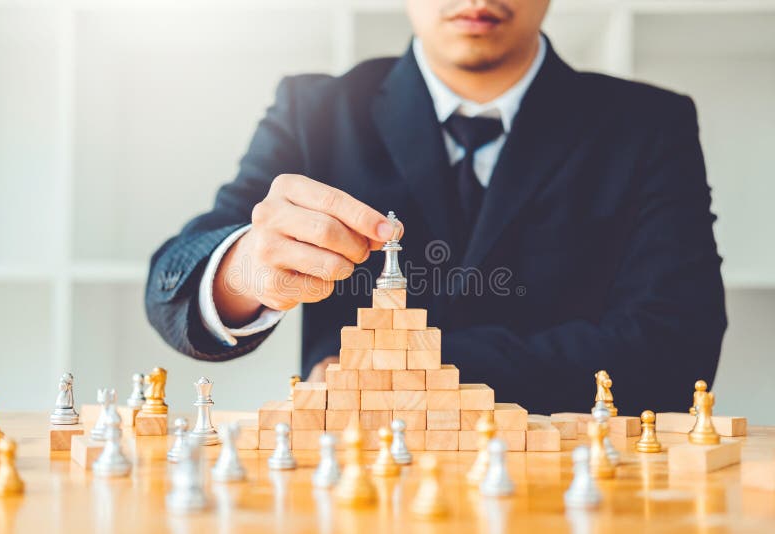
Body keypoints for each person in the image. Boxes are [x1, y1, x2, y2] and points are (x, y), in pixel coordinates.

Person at [145, 0, 726, 414]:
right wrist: (246, 269)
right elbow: (171, 281)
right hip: (358, 485)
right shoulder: (313, 111)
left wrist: (392, 361)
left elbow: (676, 346)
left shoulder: (648, 127)